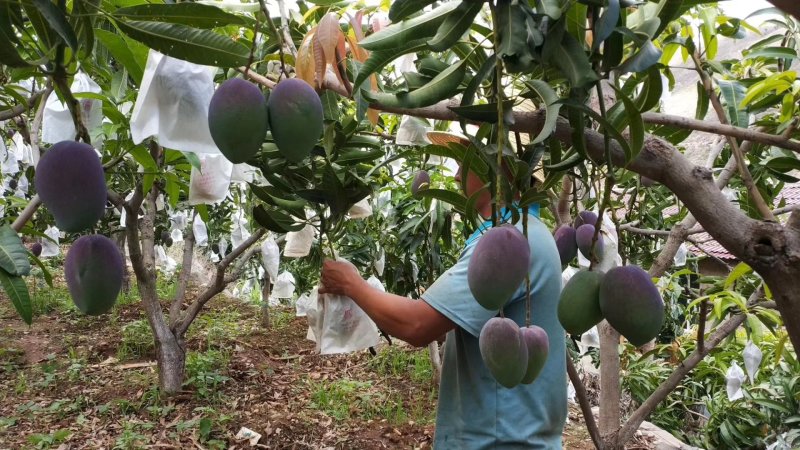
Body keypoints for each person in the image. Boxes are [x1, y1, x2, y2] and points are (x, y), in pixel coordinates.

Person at [319, 131, 566, 449]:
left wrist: (352, 284)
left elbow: (417, 325)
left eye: (467, 162)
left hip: (502, 441)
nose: (458, 174)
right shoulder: (524, 234)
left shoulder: (513, 242)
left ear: (497, 165)